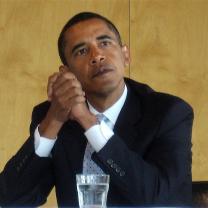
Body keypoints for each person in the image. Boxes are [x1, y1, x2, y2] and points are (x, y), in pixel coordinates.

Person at [0, 12, 194, 207]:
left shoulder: (168, 113)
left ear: (125, 55)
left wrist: (88, 121)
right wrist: (54, 120)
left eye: (105, 43)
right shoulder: (52, 117)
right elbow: (10, 199)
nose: (97, 56)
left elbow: (160, 199)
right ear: (67, 72)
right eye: (81, 51)